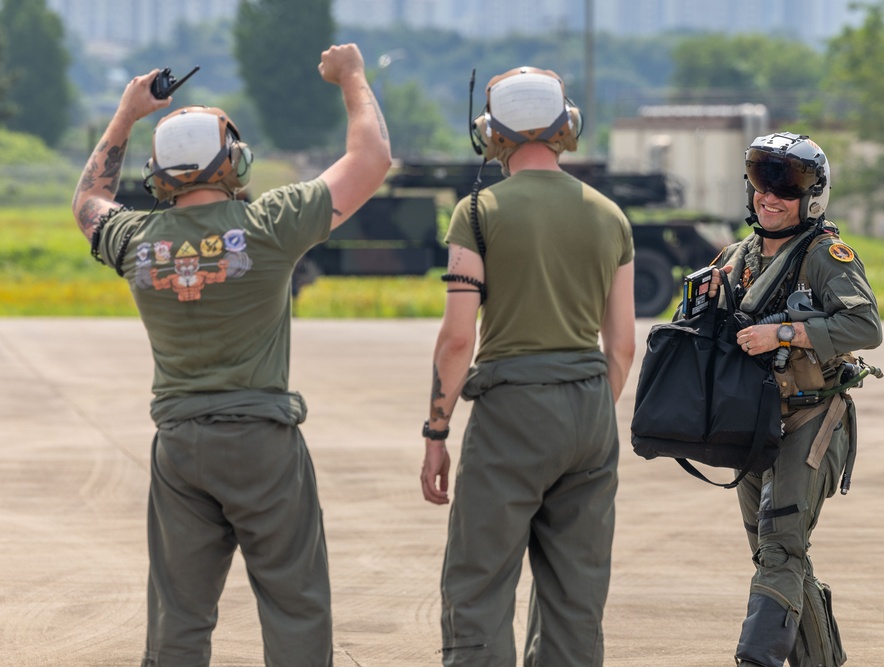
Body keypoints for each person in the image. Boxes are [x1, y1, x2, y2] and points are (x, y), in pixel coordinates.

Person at [71, 44, 391, 667]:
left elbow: (88, 202)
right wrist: (351, 75)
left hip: (180, 444)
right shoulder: (271, 224)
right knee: (295, 606)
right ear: (234, 161)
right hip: (263, 442)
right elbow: (371, 158)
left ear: (161, 176)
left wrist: (125, 114)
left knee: (178, 620)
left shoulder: (137, 240)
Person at [419, 66, 635, 666]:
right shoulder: (610, 215)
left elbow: (458, 339)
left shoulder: (479, 212)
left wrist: (437, 432)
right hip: (591, 408)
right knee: (575, 594)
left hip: (511, 409)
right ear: (568, 125)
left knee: (479, 584)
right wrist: (588, 406)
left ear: (490, 134)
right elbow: (621, 346)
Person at [703, 132, 882, 667]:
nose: (770, 196)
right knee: (777, 553)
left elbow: (864, 324)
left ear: (813, 195)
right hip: (752, 425)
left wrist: (786, 334)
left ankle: (756, 659)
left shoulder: (826, 254)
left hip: (810, 418)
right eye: (762, 180)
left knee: (780, 547)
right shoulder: (739, 256)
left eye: (786, 186)